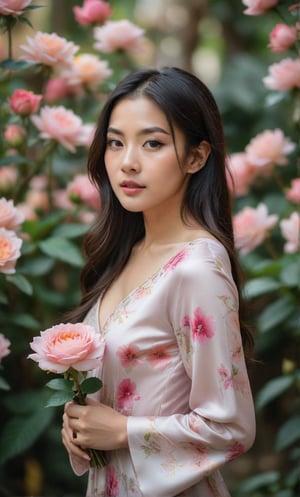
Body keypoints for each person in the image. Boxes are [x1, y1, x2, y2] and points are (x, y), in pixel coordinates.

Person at [61, 66, 256, 497]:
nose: (127, 161)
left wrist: (124, 431)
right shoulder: (126, 254)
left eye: (152, 143)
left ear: (196, 157)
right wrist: (82, 424)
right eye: (115, 142)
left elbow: (232, 426)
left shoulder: (196, 268)